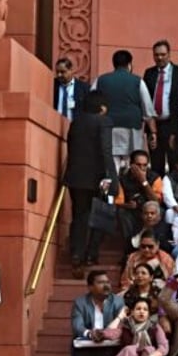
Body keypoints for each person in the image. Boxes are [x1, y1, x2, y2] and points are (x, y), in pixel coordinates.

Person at [63, 89, 119, 277]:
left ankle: (76, 254)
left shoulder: (76, 123)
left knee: (79, 216)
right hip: (98, 178)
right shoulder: (104, 122)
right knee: (101, 216)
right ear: (102, 107)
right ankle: (91, 254)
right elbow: (106, 150)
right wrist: (110, 177)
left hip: (75, 177)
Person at [93, 49, 158, 167]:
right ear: (129, 65)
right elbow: (148, 110)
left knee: (112, 163)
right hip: (132, 129)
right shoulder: (138, 81)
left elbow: (91, 104)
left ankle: (115, 183)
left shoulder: (100, 80)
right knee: (132, 162)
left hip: (108, 128)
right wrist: (153, 132)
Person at [70, 270, 124, 356]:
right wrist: (89, 333)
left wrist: (104, 334)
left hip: (108, 342)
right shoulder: (80, 302)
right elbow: (77, 325)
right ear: (90, 287)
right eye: (100, 282)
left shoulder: (117, 302)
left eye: (107, 282)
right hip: (88, 341)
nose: (106, 285)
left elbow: (121, 324)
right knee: (79, 349)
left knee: (109, 351)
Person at [143, 39, 178, 176]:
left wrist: (175, 130)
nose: (159, 58)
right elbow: (146, 99)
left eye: (163, 54)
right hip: (154, 124)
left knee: (174, 161)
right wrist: (150, 129)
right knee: (156, 163)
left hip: (171, 123)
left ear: (169, 54)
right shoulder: (149, 73)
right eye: (156, 55)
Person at [114, 149, 162, 263]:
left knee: (161, 213)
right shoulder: (123, 179)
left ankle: (155, 246)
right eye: (138, 165)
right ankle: (130, 250)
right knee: (122, 214)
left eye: (144, 165)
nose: (142, 168)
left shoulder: (155, 178)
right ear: (131, 165)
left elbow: (156, 201)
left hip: (149, 210)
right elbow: (118, 202)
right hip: (132, 211)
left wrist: (143, 181)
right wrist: (127, 205)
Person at [54, 56, 89, 121]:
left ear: (71, 70)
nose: (59, 75)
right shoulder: (52, 85)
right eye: (57, 72)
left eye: (62, 72)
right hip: (55, 124)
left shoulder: (84, 88)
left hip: (75, 127)